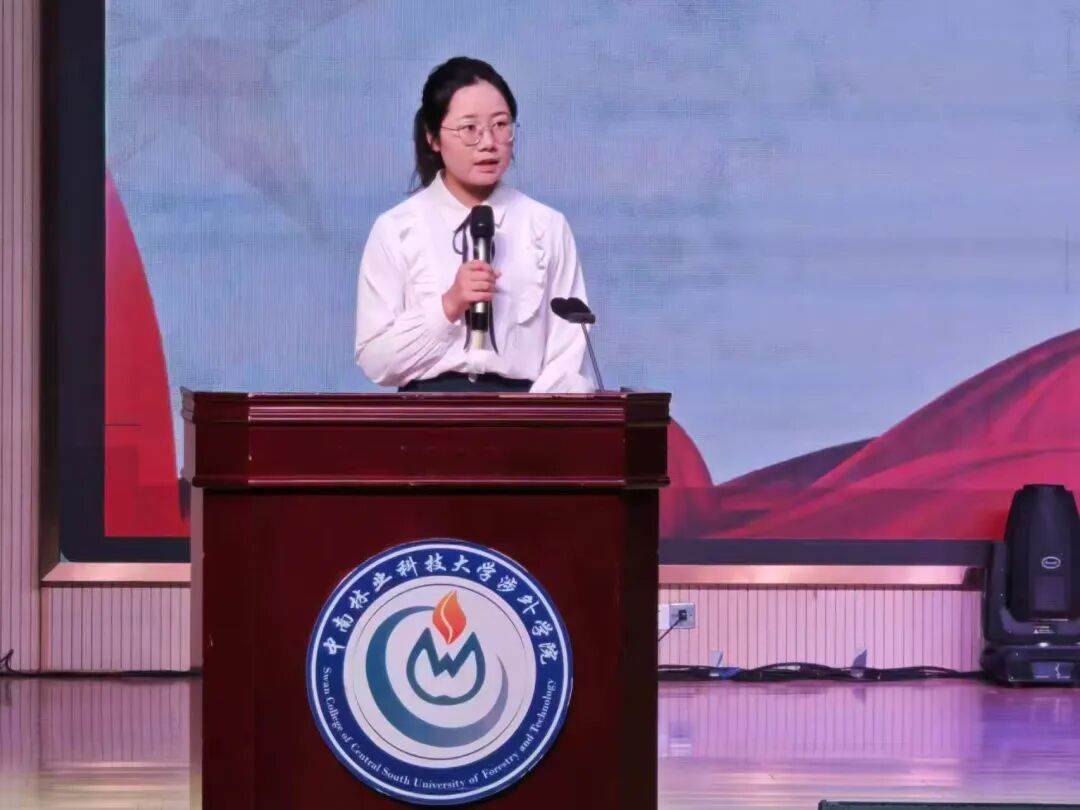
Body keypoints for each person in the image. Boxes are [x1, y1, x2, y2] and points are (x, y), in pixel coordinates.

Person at [354, 57, 595, 394]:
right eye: (470, 129)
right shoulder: (396, 229)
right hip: (426, 413)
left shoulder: (547, 226)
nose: (488, 142)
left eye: (501, 125)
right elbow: (375, 359)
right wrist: (448, 306)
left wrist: (528, 419)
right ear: (433, 137)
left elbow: (568, 353)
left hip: (525, 412)